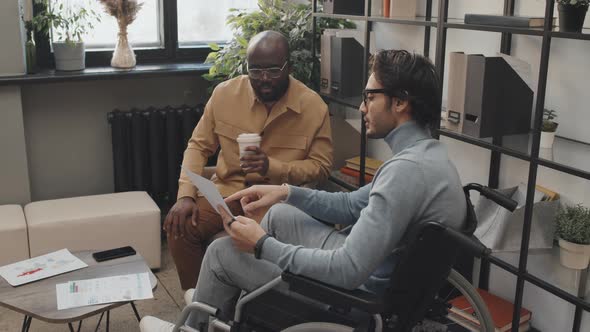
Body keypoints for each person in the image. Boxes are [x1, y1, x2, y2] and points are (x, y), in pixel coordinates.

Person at [142, 49, 467, 331]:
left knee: (220, 254)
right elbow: (353, 205)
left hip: (355, 299)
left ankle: (199, 319)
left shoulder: (406, 173)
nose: (363, 107)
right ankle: (219, 305)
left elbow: (347, 269)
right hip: (375, 273)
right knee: (282, 213)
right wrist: (286, 192)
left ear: (399, 102)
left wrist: (262, 245)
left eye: (370, 96)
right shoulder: (427, 156)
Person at [164, 30, 333, 290]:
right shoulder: (225, 94)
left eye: (273, 70)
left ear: (289, 66)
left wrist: (272, 167)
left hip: (275, 204)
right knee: (180, 225)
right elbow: (197, 146)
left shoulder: (313, 107)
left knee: (232, 244)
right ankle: (201, 308)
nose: (264, 79)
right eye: (255, 70)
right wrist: (185, 195)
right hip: (226, 194)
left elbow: (321, 169)